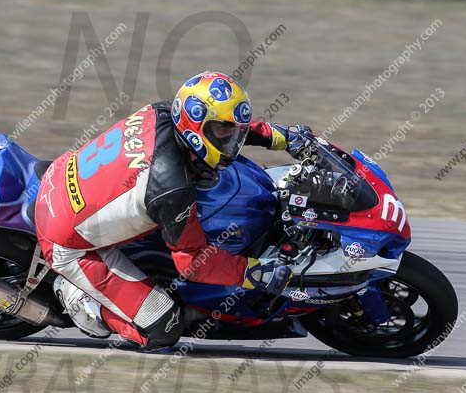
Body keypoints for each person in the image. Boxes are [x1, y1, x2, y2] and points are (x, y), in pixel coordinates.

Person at [35, 71, 313, 350]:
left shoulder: (166, 110)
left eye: (234, 130)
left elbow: (226, 123)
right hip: (70, 244)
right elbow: (193, 263)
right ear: (195, 129)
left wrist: (281, 137)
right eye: (223, 130)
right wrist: (255, 272)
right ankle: (81, 300)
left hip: (63, 174)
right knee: (163, 329)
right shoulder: (172, 189)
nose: (232, 139)